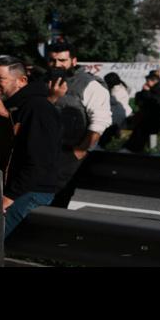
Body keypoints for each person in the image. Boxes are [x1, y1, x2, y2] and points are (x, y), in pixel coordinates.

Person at [0, 56, 61, 239]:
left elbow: (39, 161)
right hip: (15, 189)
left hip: (30, 192)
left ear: (22, 81)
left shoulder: (37, 109)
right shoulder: (10, 108)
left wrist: (7, 198)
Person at [41, 39, 111, 207]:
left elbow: (100, 122)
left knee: (55, 201)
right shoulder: (42, 81)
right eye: (52, 60)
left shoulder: (89, 84)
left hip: (68, 153)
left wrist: (79, 151)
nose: (56, 64)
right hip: (42, 151)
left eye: (62, 60)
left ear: (73, 61)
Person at [125, 72, 160, 154]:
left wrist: (147, 92)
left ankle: (142, 149)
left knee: (143, 132)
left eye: (149, 80)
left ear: (154, 81)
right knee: (139, 131)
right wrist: (144, 92)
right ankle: (132, 148)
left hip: (156, 118)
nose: (147, 82)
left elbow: (156, 102)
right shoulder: (148, 91)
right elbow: (139, 100)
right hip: (145, 117)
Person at [98, 72, 130, 150]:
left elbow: (111, 100)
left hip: (117, 114)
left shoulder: (118, 90)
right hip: (117, 113)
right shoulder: (119, 88)